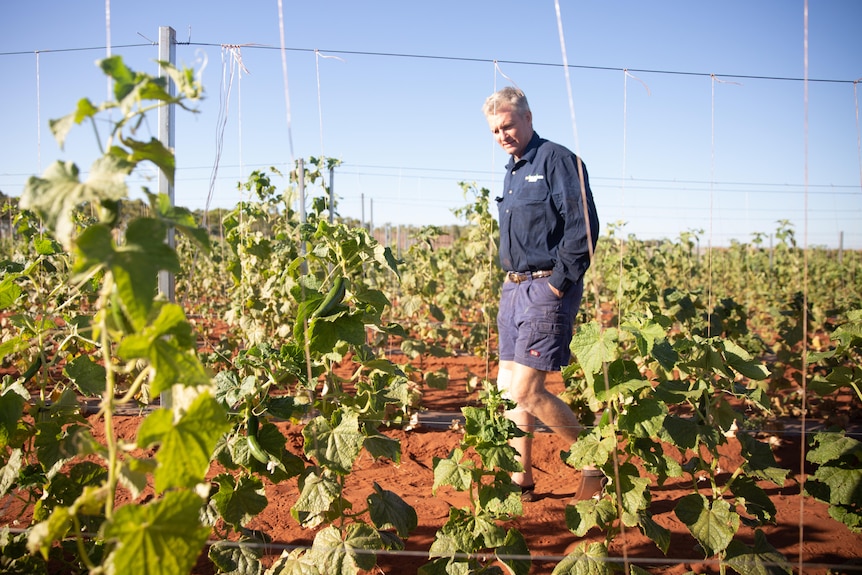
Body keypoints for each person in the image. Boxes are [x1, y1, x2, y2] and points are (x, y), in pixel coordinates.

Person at [482, 86, 601, 503]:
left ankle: (595, 463)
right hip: (513, 288)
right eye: (495, 130)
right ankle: (521, 480)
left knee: (527, 391)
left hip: (546, 286)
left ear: (528, 117)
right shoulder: (512, 171)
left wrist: (557, 285)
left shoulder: (557, 160)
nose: (503, 135)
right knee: (508, 387)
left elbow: (582, 227)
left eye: (508, 125)